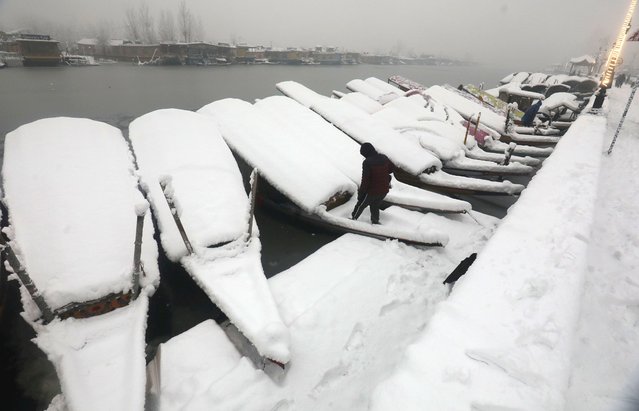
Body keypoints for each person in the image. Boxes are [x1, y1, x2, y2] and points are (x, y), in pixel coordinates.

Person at [351, 143, 394, 224]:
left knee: (360, 205)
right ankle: (375, 221)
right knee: (375, 205)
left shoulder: (367, 162)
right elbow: (391, 169)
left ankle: (352, 220)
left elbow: (365, 180)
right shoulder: (384, 157)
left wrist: (361, 193)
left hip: (372, 191)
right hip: (384, 190)